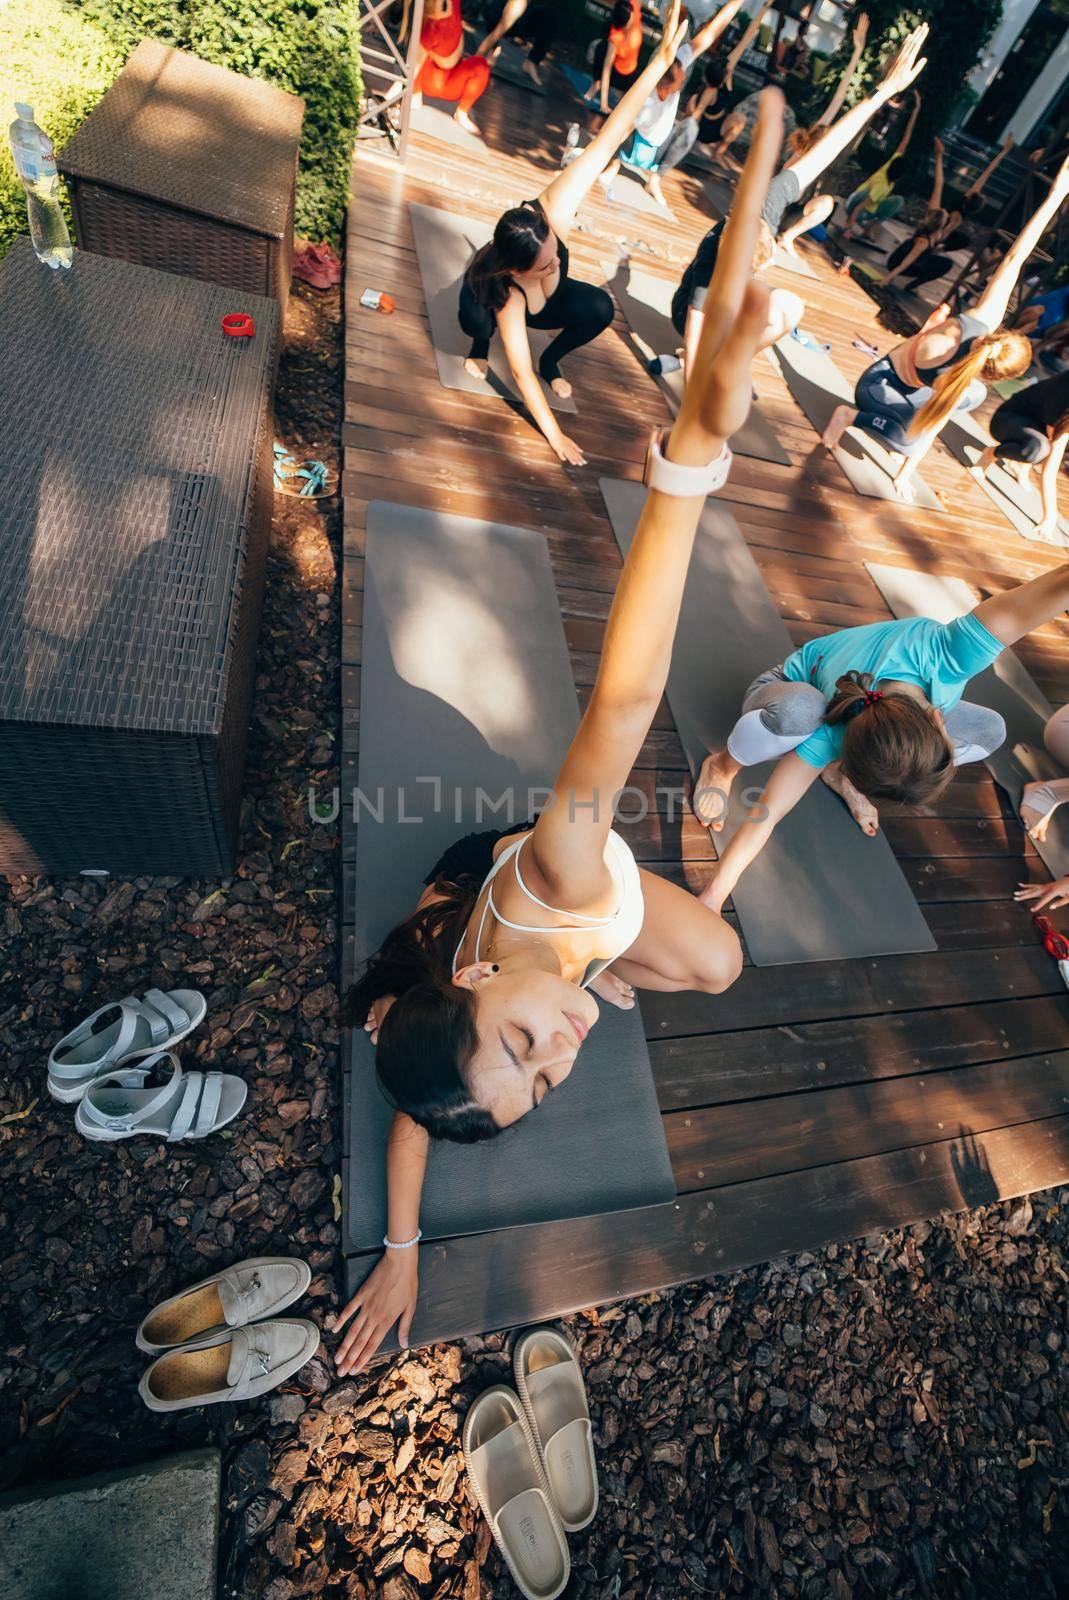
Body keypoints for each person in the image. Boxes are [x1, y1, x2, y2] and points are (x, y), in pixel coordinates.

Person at [330, 90, 787, 1374]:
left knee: (703, 962)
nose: (558, 1053)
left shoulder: (553, 886)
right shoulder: (442, 1018)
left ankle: (614, 927)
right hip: (561, 933)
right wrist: (402, 1247)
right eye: (535, 1082)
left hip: (578, 891)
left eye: (523, 1044)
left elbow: (624, 704)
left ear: (472, 978)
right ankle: (634, 953)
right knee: (720, 972)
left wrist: (686, 464)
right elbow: (420, 1098)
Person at [691, 559, 1069, 912]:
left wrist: (712, 899)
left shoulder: (953, 656)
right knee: (800, 712)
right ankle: (723, 767)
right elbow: (768, 813)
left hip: (870, 724)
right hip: (784, 691)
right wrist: (713, 896)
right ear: (939, 720)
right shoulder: (838, 725)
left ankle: (841, 773)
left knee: (991, 730)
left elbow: (1055, 585)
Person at [458, 2, 688, 465]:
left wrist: (658, 65)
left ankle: (554, 361)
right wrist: (556, 436)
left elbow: (609, 138)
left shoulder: (552, 212)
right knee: (477, 322)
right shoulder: (508, 292)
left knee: (600, 307)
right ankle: (479, 345)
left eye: (553, 253)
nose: (556, 260)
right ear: (519, 270)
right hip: (483, 298)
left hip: (543, 296)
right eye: (545, 263)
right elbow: (519, 375)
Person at [672, 24, 930, 381]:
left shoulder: (770, 200)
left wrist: (882, 92)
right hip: (695, 316)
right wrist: (692, 386)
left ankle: (727, 368)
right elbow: (695, 325)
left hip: (730, 308)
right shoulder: (714, 261)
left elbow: (827, 149)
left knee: (789, 308)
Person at [822, 156, 1069, 501]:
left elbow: (1014, 259)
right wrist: (904, 468)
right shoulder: (953, 379)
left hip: (910, 388)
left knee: (966, 400)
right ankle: (851, 417)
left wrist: (1057, 194)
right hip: (876, 386)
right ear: (992, 373)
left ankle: (894, 428)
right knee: (906, 438)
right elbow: (929, 430)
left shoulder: (984, 318)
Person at [600, 0, 747, 205]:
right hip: (634, 145)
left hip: (658, 149)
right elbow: (619, 131)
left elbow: (711, 33)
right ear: (665, 84)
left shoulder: (677, 61)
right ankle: (614, 166)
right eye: (680, 78)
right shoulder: (646, 96)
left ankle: (655, 179)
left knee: (690, 129)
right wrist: (602, 160)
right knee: (622, 127)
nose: (683, 78)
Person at [972, 371, 1069, 545]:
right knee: (1038, 451)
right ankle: (992, 454)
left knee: (1040, 448)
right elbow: (1051, 468)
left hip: (1037, 428)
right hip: (1007, 420)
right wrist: (1050, 517)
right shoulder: (1063, 399)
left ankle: (1022, 463)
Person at [840, 86, 920, 243]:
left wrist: (916, 109)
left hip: (866, 207)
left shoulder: (890, 165)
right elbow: (858, 207)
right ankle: (856, 224)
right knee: (865, 204)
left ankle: (868, 227)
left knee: (897, 201)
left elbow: (906, 138)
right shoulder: (882, 185)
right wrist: (848, 229)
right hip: (854, 206)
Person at [413, 0, 492, 134]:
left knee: (481, 66)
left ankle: (462, 113)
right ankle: (414, 94)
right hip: (427, 75)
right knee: (424, 39)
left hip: (451, 82)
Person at [476, 0, 557, 85]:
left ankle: (531, 62)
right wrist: (478, 55)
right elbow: (498, 31)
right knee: (494, 11)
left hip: (523, 19)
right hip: (501, 13)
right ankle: (493, 50)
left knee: (551, 15)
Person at [594, 0, 645, 112]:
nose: (632, 22)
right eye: (628, 23)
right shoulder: (616, 36)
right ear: (623, 25)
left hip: (632, 70)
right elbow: (607, 69)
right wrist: (604, 104)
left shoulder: (633, 8)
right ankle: (596, 85)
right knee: (601, 48)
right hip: (617, 75)